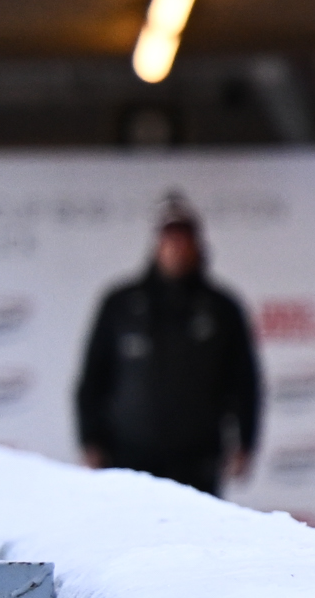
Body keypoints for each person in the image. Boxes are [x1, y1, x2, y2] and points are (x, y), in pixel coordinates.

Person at [74, 192, 263, 493]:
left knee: (197, 538)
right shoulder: (120, 305)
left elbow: (245, 382)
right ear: (156, 244)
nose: (176, 248)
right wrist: (89, 440)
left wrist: (246, 443)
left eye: (184, 238)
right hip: (129, 455)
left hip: (198, 459)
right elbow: (92, 378)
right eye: (169, 238)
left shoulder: (221, 309)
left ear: (197, 244)